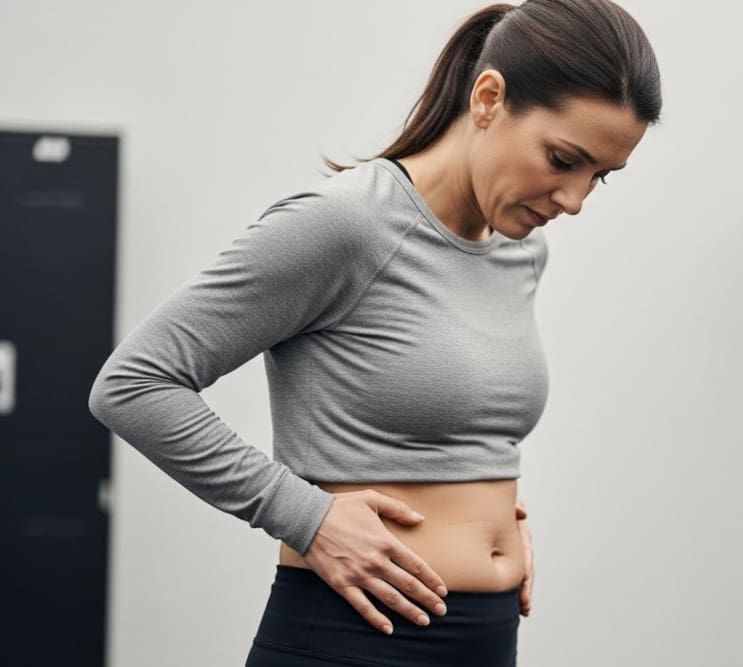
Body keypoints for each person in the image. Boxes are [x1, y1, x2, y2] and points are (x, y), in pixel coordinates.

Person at [87, 0, 661, 664]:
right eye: (563, 159)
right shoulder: (348, 225)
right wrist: (307, 516)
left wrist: (498, 514)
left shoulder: (521, 250)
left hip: (487, 637)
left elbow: (449, 414)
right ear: (488, 97)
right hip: (355, 638)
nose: (575, 200)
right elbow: (132, 383)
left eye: (600, 177)